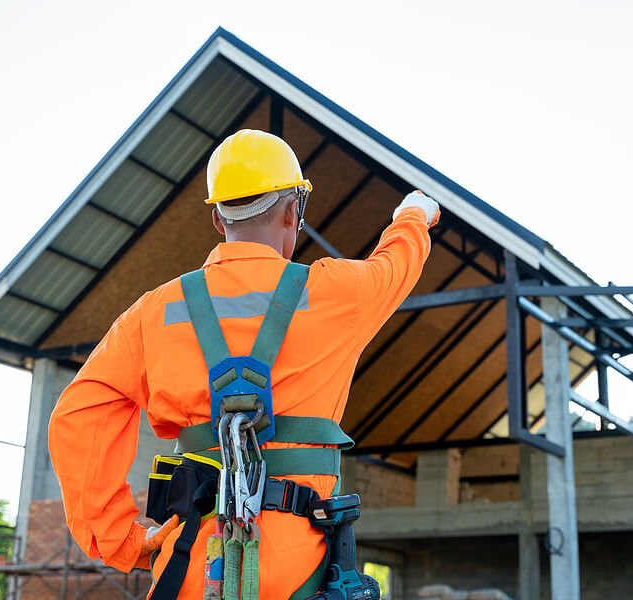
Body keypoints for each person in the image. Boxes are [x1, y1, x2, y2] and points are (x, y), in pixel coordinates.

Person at [48, 128, 440, 599]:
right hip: (302, 573)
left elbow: (79, 413)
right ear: (294, 211)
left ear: (218, 218)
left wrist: (124, 542)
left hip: (192, 564)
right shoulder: (337, 293)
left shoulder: (154, 311)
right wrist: (413, 215)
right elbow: (396, 263)